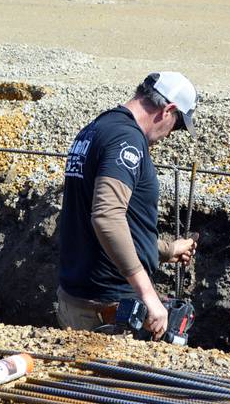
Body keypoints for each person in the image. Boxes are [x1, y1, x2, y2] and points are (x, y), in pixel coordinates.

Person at [56, 72, 199, 340]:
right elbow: (107, 218)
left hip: (77, 299)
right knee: (122, 382)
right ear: (168, 110)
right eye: (177, 125)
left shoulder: (95, 130)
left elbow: (100, 223)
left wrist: (166, 250)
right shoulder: (127, 141)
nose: (169, 136)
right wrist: (149, 296)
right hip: (109, 307)